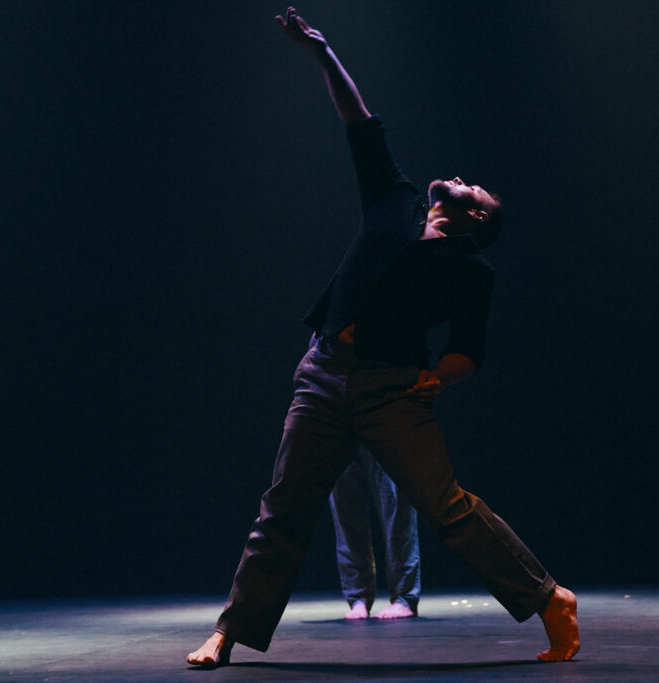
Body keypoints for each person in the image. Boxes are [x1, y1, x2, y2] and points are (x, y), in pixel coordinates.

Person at [186, 7, 579, 668]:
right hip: (323, 372)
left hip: (390, 390)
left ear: (474, 217)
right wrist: (322, 53)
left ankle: (550, 599)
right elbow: (361, 122)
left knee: (449, 508)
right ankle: (231, 629)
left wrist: (433, 379)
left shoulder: (470, 268)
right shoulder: (395, 199)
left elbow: (468, 349)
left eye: (474, 189)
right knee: (283, 509)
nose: (460, 177)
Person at [329, 448, 420, 619]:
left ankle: (404, 598)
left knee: (396, 511)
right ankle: (358, 598)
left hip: (383, 425)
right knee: (346, 513)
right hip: (338, 428)